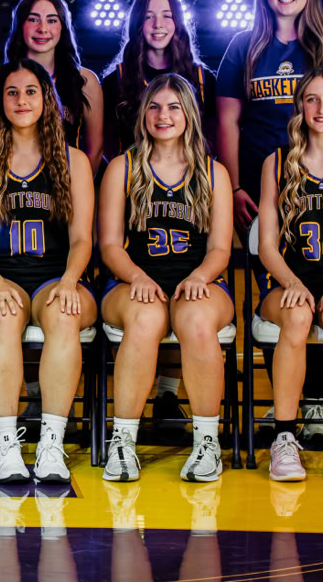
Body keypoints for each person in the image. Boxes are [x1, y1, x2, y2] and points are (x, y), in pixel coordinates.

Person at [0, 58, 95, 483]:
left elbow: (82, 239)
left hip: (56, 276)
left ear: (46, 99)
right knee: (2, 313)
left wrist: (70, 281)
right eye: (12, 92)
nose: (21, 100)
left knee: (65, 314)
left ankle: (52, 444)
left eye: (31, 91)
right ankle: (7, 444)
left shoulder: (73, 161)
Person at [99, 73, 234, 483]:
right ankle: (123, 442)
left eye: (174, 107)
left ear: (189, 114)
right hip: (133, 282)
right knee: (145, 318)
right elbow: (109, 245)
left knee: (196, 319)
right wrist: (137, 276)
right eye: (155, 107)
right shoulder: (122, 168)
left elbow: (220, 249)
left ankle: (207, 443)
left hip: (198, 281)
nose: (164, 115)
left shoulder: (213, 172)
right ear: (143, 115)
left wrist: (200, 277)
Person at [217, 0, 323, 234]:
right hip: (255, 179)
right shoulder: (242, 46)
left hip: (316, 176)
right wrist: (233, 187)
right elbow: (227, 123)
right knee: (263, 255)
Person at [257, 67, 323, 481]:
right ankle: (284, 437)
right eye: (312, 99)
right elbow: (266, 245)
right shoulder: (278, 162)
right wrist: (294, 283)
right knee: (298, 315)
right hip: (286, 281)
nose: (321, 109)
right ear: (300, 105)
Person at [0, 0, 103, 174]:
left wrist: (77, 187)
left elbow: (96, 150)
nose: (42, 29)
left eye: (52, 20)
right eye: (33, 19)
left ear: (63, 27)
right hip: (10, 186)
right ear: (20, 25)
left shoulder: (85, 81)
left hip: (67, 185)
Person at [102, 0, 216, 160]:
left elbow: (212, 142)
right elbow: (106, 145)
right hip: (132, 173)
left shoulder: (202, 79)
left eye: (167, 16)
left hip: (188, 173)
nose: (158, 24)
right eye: (149, 17)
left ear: (178, 21)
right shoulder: (115, 81)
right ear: (137, 23)